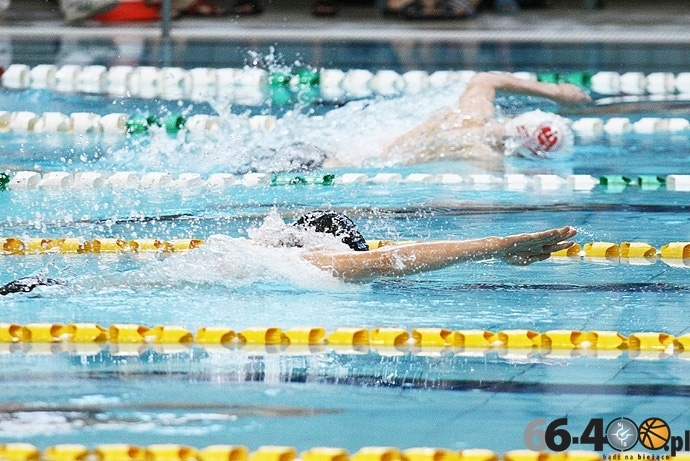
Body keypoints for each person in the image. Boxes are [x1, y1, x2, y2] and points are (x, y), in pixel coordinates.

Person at [0, 211, 576, 294]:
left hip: (50, 294)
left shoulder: (305, 261)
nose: (266, 226)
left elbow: (396, 257)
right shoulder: (282, 264)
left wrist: (500, 246)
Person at [382, 72, 592, 169]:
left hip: (377, 154)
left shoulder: (475, 114)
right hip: (383, 161)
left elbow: (485, 79)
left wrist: (556, 92)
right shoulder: (487, 160)